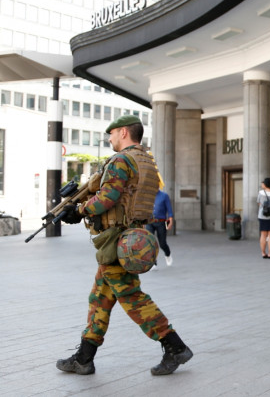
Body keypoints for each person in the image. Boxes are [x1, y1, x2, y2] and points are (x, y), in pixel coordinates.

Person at [56, 115, 192, 376]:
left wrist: (80, 210)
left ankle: (174, 345)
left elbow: (108, 197)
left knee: (131, 297)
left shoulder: (121, 160)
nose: (109, 139)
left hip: (117, 239)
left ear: (123, 132)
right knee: (100, 298)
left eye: (112, 134)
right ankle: (84, 357)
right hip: (131, 237)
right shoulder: (146, 161)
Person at [146, 188, 174, 269]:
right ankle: (153, 262)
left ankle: (168, 254)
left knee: (162, 243)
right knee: (150, 242)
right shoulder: (147, 196)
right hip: (150, 222)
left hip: (161, 222)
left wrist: (171, 219)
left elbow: (169, 209)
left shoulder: (164, 196)